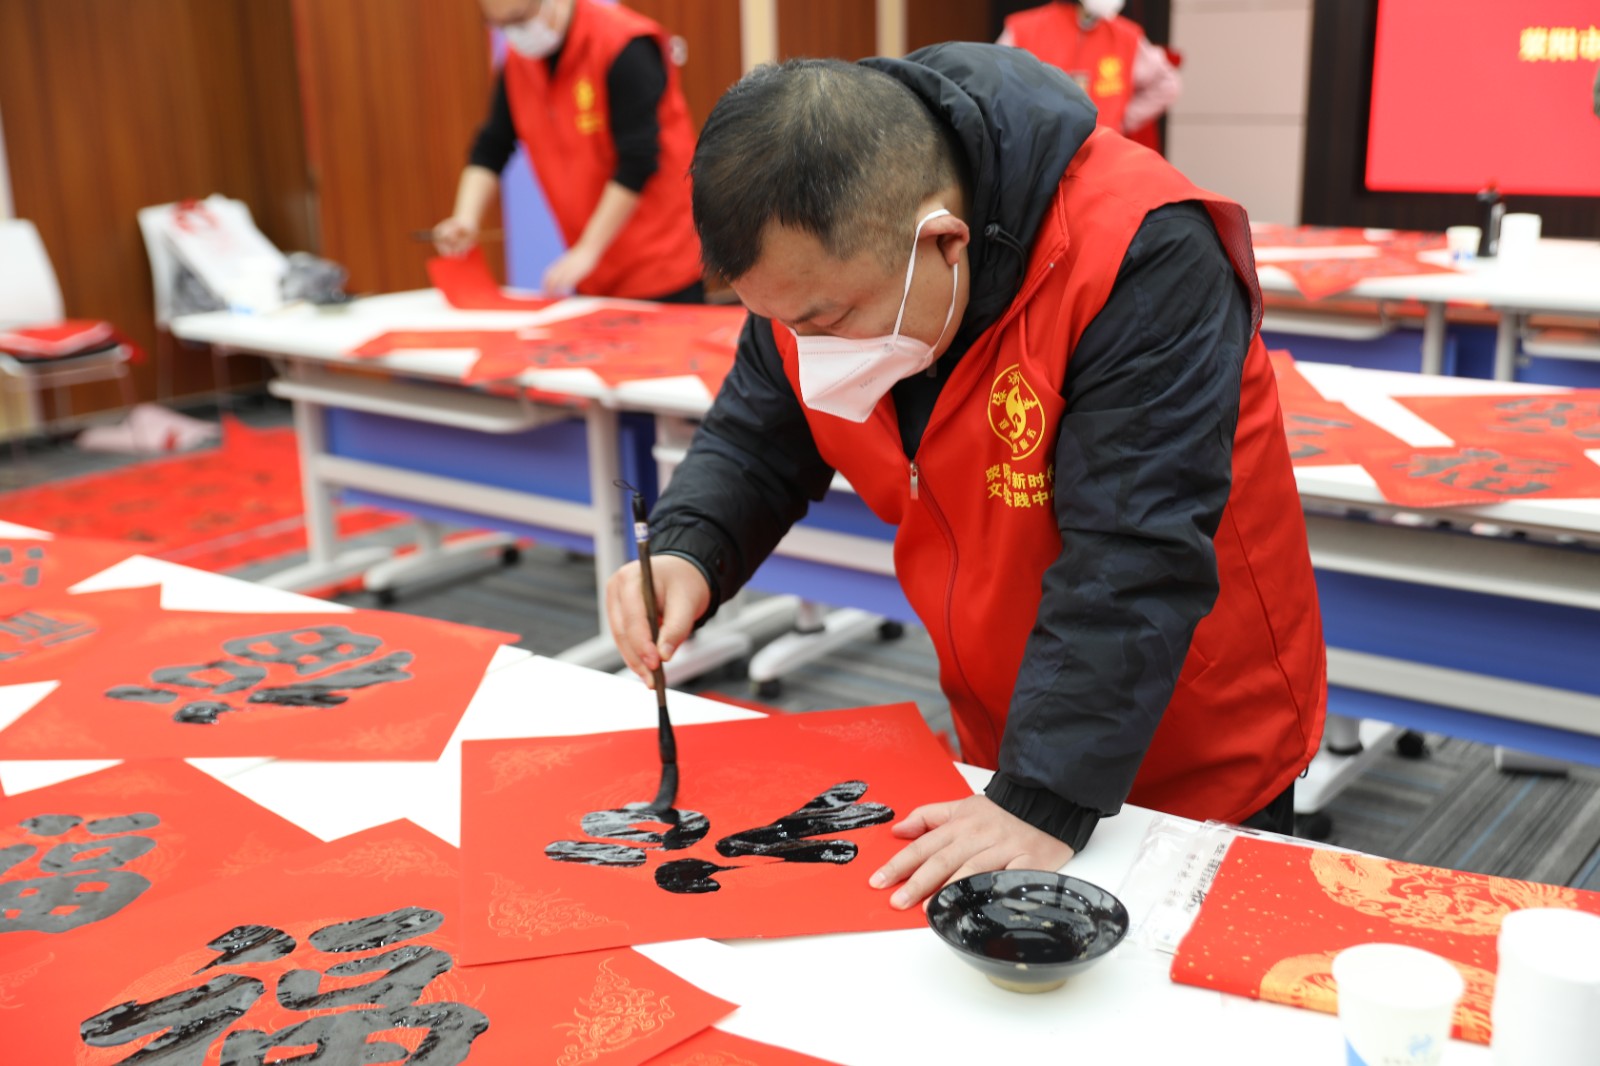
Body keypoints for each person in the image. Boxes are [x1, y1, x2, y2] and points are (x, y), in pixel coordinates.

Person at [605, 44, 1326, 911]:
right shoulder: (820, 267)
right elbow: (760, 428)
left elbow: (1132, 555)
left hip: (1193, 725)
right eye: (782, 324)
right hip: (1016, 719)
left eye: (824, 320)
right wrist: (692, 548)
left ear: (941, 242)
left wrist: (1041, 795)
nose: (808, 348)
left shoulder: (1143, 250)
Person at [433, 0, 704, 302]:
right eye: (501, 25)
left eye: (520, 19)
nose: (515, 34)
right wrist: (465, 219)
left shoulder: (623, 45)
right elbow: (492, 146)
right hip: (593, 271)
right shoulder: (517, 61)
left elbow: (638, 161)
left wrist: (588, 249)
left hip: (660, 264)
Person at [999, 0, 1180, 141]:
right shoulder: (1025, 30)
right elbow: (993, 87)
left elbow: (1166, 84)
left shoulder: (1126, 37)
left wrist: (1121, 119)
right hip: (1037, 159)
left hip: (1100, 161)